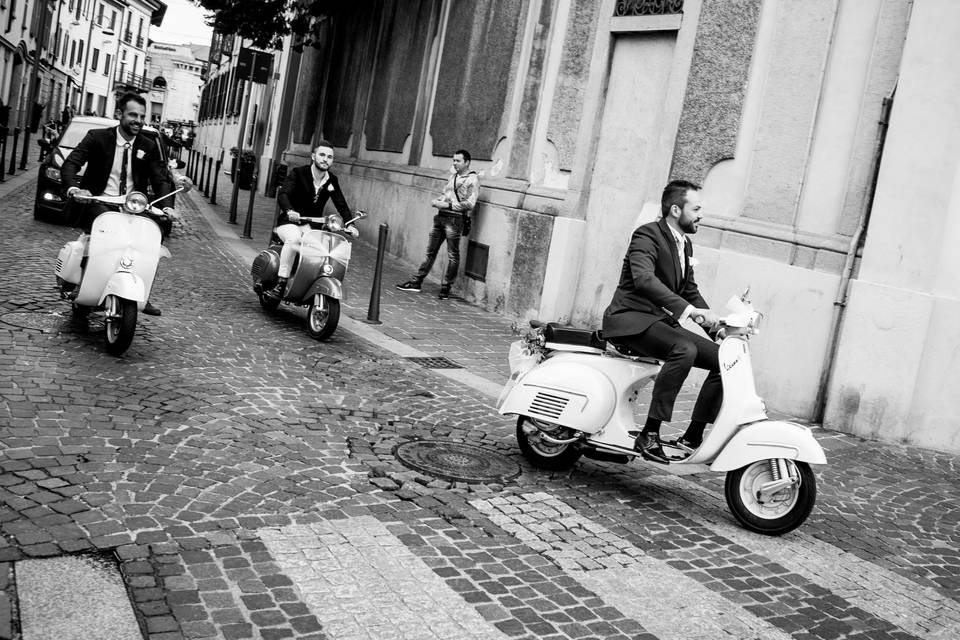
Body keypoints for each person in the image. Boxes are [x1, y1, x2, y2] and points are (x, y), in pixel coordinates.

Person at [601, 179, 721, 464]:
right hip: (630, 319)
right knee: (684, 349)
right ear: (676, 210)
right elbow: (644, 280)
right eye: (697, 208)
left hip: (659, 322)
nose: (701, 214)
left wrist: (716, 327)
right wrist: (689, 312)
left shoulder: (685, 244)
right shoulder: (647, 235)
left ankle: (692, 436)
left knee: (723, 360)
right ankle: (650, 434)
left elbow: (689, 290)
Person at [61, 92, 176, 317]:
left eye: (142, 116)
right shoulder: (97, 137)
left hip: (133, 205)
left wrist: (167, 206)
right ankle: (83, 286)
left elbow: (160, 178)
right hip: (100, 200)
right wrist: (75, 189)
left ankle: (142, 293)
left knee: (151, 239)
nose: (138, 120)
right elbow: (71, 164)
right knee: (99, 238)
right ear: (119, 114)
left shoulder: (148, 144)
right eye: (133, 114)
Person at [270, 141, 358, 298]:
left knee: (326, 248)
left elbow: (341, 204)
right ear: (313, 156)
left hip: (311, 227)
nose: (325, 159)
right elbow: (283, 194)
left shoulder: (331, 180)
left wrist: (350, 224)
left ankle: (309, 282)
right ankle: (281, 282)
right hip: (289, 223)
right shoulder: (299, 173)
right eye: (322, 155)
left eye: (329, 157)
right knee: (295, 238)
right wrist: (289, 210)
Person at [396, 149, 479, 299]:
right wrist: (438, 201)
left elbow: (470, 203)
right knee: (430, 252)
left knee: (453, 255)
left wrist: (449, 206)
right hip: (440, 217)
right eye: (453, 160)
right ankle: (416, 282)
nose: (454, 163)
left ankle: (446, 287)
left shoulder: (472, 179)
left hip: (455, 219)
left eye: (458, 161)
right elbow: (446, 194)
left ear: (467, 162)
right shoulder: (453, 176)